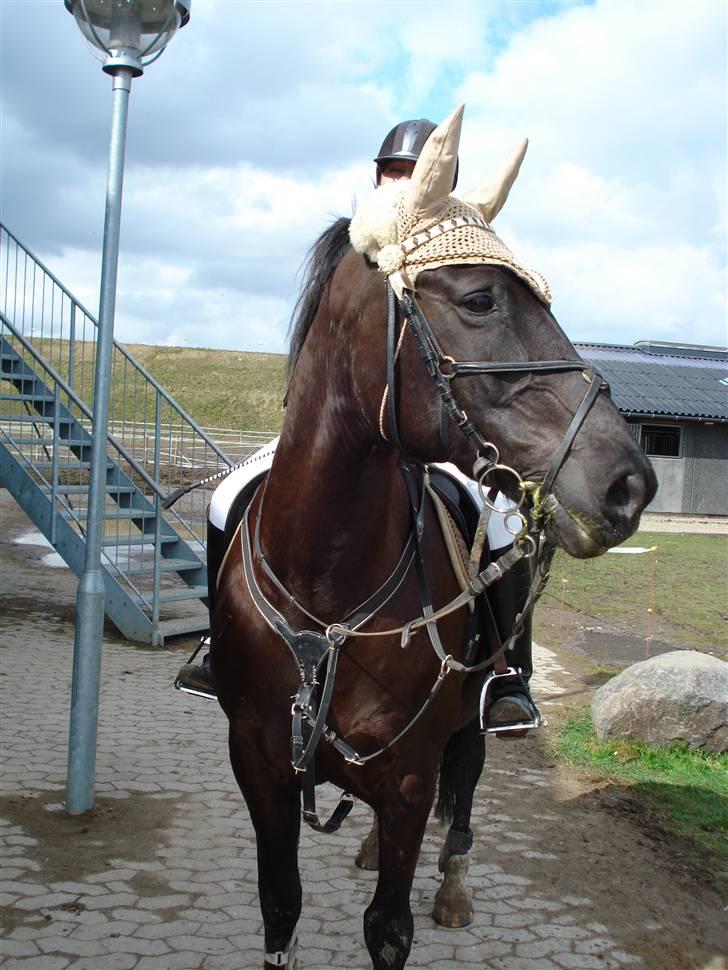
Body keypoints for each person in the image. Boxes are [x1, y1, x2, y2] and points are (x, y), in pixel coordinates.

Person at [176, 120, 541, 734]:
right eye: (396, 174)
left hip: (424, 425)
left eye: (421, 178)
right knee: (224, 499)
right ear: (378, 177)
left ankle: (507, 674)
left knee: (502, 520)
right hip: (334, 427)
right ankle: (220, 644)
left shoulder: (449, 254)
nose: (404, 186)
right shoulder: (348, 248)